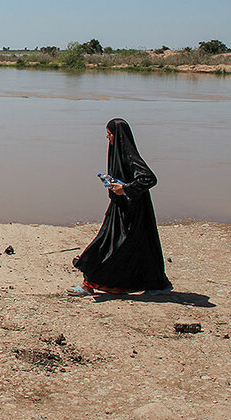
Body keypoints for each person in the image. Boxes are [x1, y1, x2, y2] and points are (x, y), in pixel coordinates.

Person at [68, 118, 173, 295]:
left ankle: (89, 284)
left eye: (109, 134)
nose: (107, 137)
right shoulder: (119, 155)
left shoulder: (129, 156)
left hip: (132, 211)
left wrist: (125, 188)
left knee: (106, 245)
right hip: (122, 208)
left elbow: (149, 178)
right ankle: (101, 284)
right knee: (126, 248)